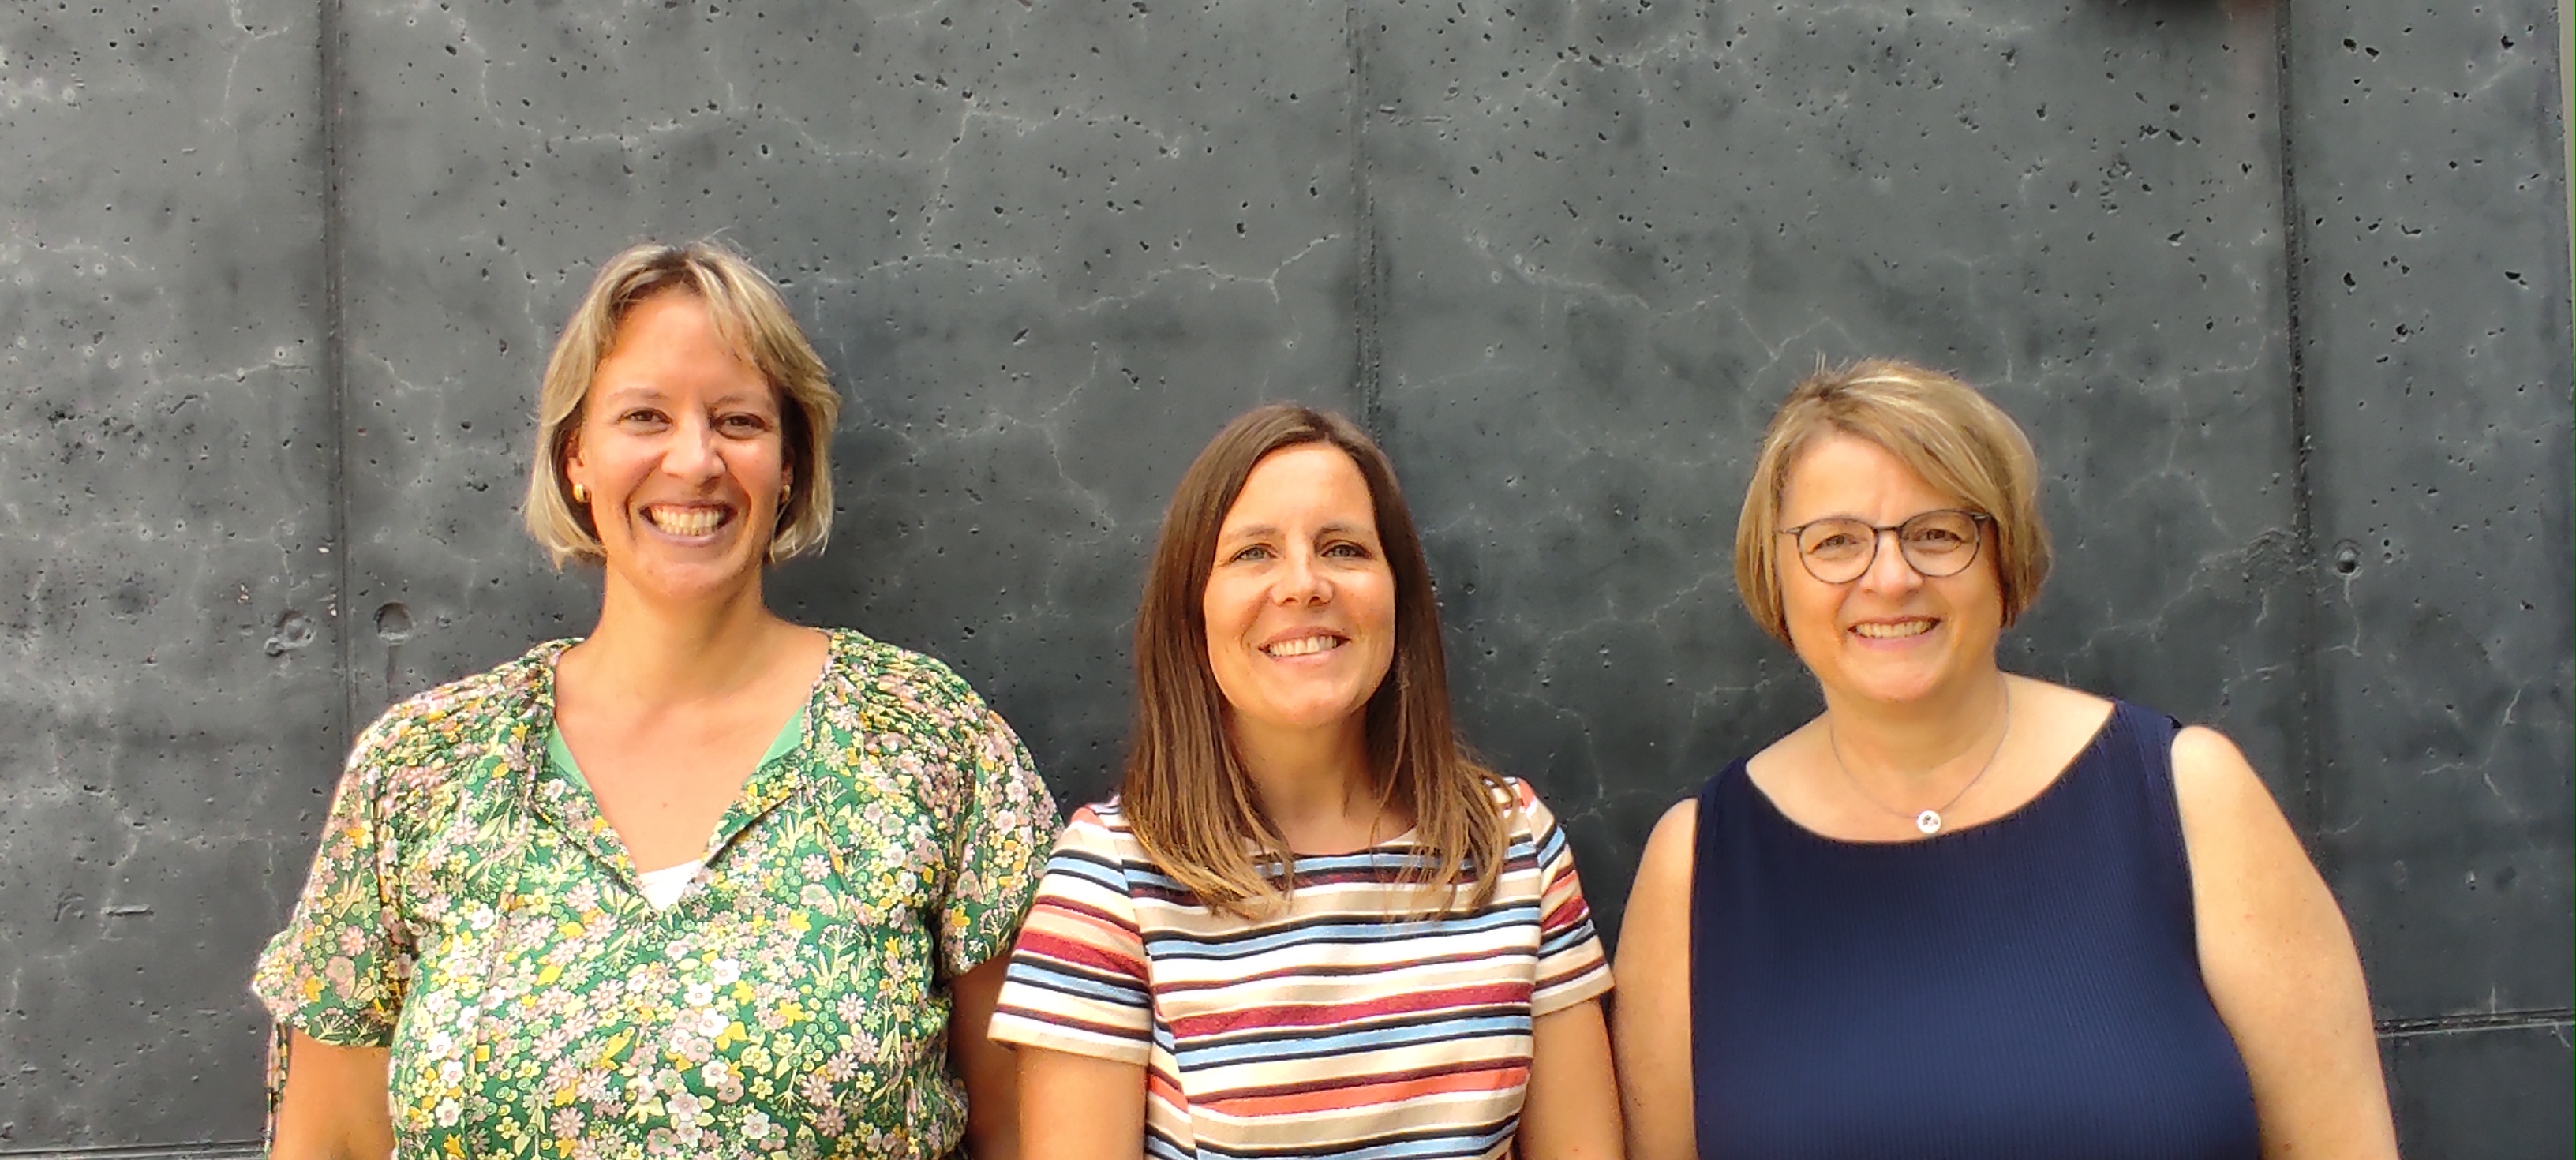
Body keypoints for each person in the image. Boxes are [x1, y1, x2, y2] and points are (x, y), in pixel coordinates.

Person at [252, 241, 1058, 1158]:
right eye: (645, 416)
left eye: (739, 421)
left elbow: (1034, 1130)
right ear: (577, 458)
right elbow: (332, 1140)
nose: (695, 459)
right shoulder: (424, 769)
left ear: (789, 466)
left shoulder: (927, 742)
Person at [1610, 359, 2401, 1159]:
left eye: (1937, 534)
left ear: (2004, 556)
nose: (1891, 578)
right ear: (1774, 570)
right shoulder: (1698, 866)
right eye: (1836, 542)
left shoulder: (2187, 797)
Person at [986, 405, 1623, 1160]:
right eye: (1253, 553)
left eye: (1343, 548)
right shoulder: (1111, 877)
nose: (1303, 584)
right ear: (1193, 610)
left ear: (1399, 593)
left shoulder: (1513, 844)